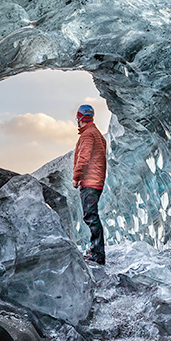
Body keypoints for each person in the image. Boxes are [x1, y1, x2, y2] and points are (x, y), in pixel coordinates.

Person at [72, 103, 107, 264]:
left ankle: (97, 253)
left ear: (80, 118)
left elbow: (84, 158)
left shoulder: (87, 135)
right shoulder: (97, 134)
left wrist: (76, 176)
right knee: (91, 216)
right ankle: (96, 251)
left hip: (90, 182)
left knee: (91, 216)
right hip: (96, 181)